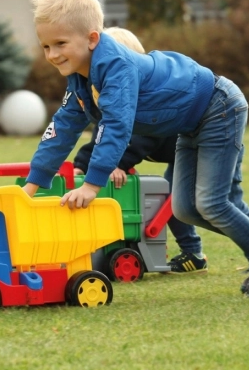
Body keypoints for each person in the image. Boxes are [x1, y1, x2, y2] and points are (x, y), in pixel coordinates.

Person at [22, 0, 249, 297]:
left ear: (91, 39)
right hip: (191, 123)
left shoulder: (116, 68)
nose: (52, 54)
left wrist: (91, 185)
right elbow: (62, 127)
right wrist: (31, 187)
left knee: (212, 203)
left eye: (60, 44)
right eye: (45, 46)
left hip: (218, 106)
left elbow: (116, 125)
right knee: (184, 208)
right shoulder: (80, 79)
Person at [73, 27, 207, 274]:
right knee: (169, 195)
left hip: (192, 146)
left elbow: (139, 139)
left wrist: (118, 164)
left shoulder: (144, 104)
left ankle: (193, 252)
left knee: (175, 198)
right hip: (174, 151)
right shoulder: (111, 100)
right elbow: (102, 137)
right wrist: (81, 163)